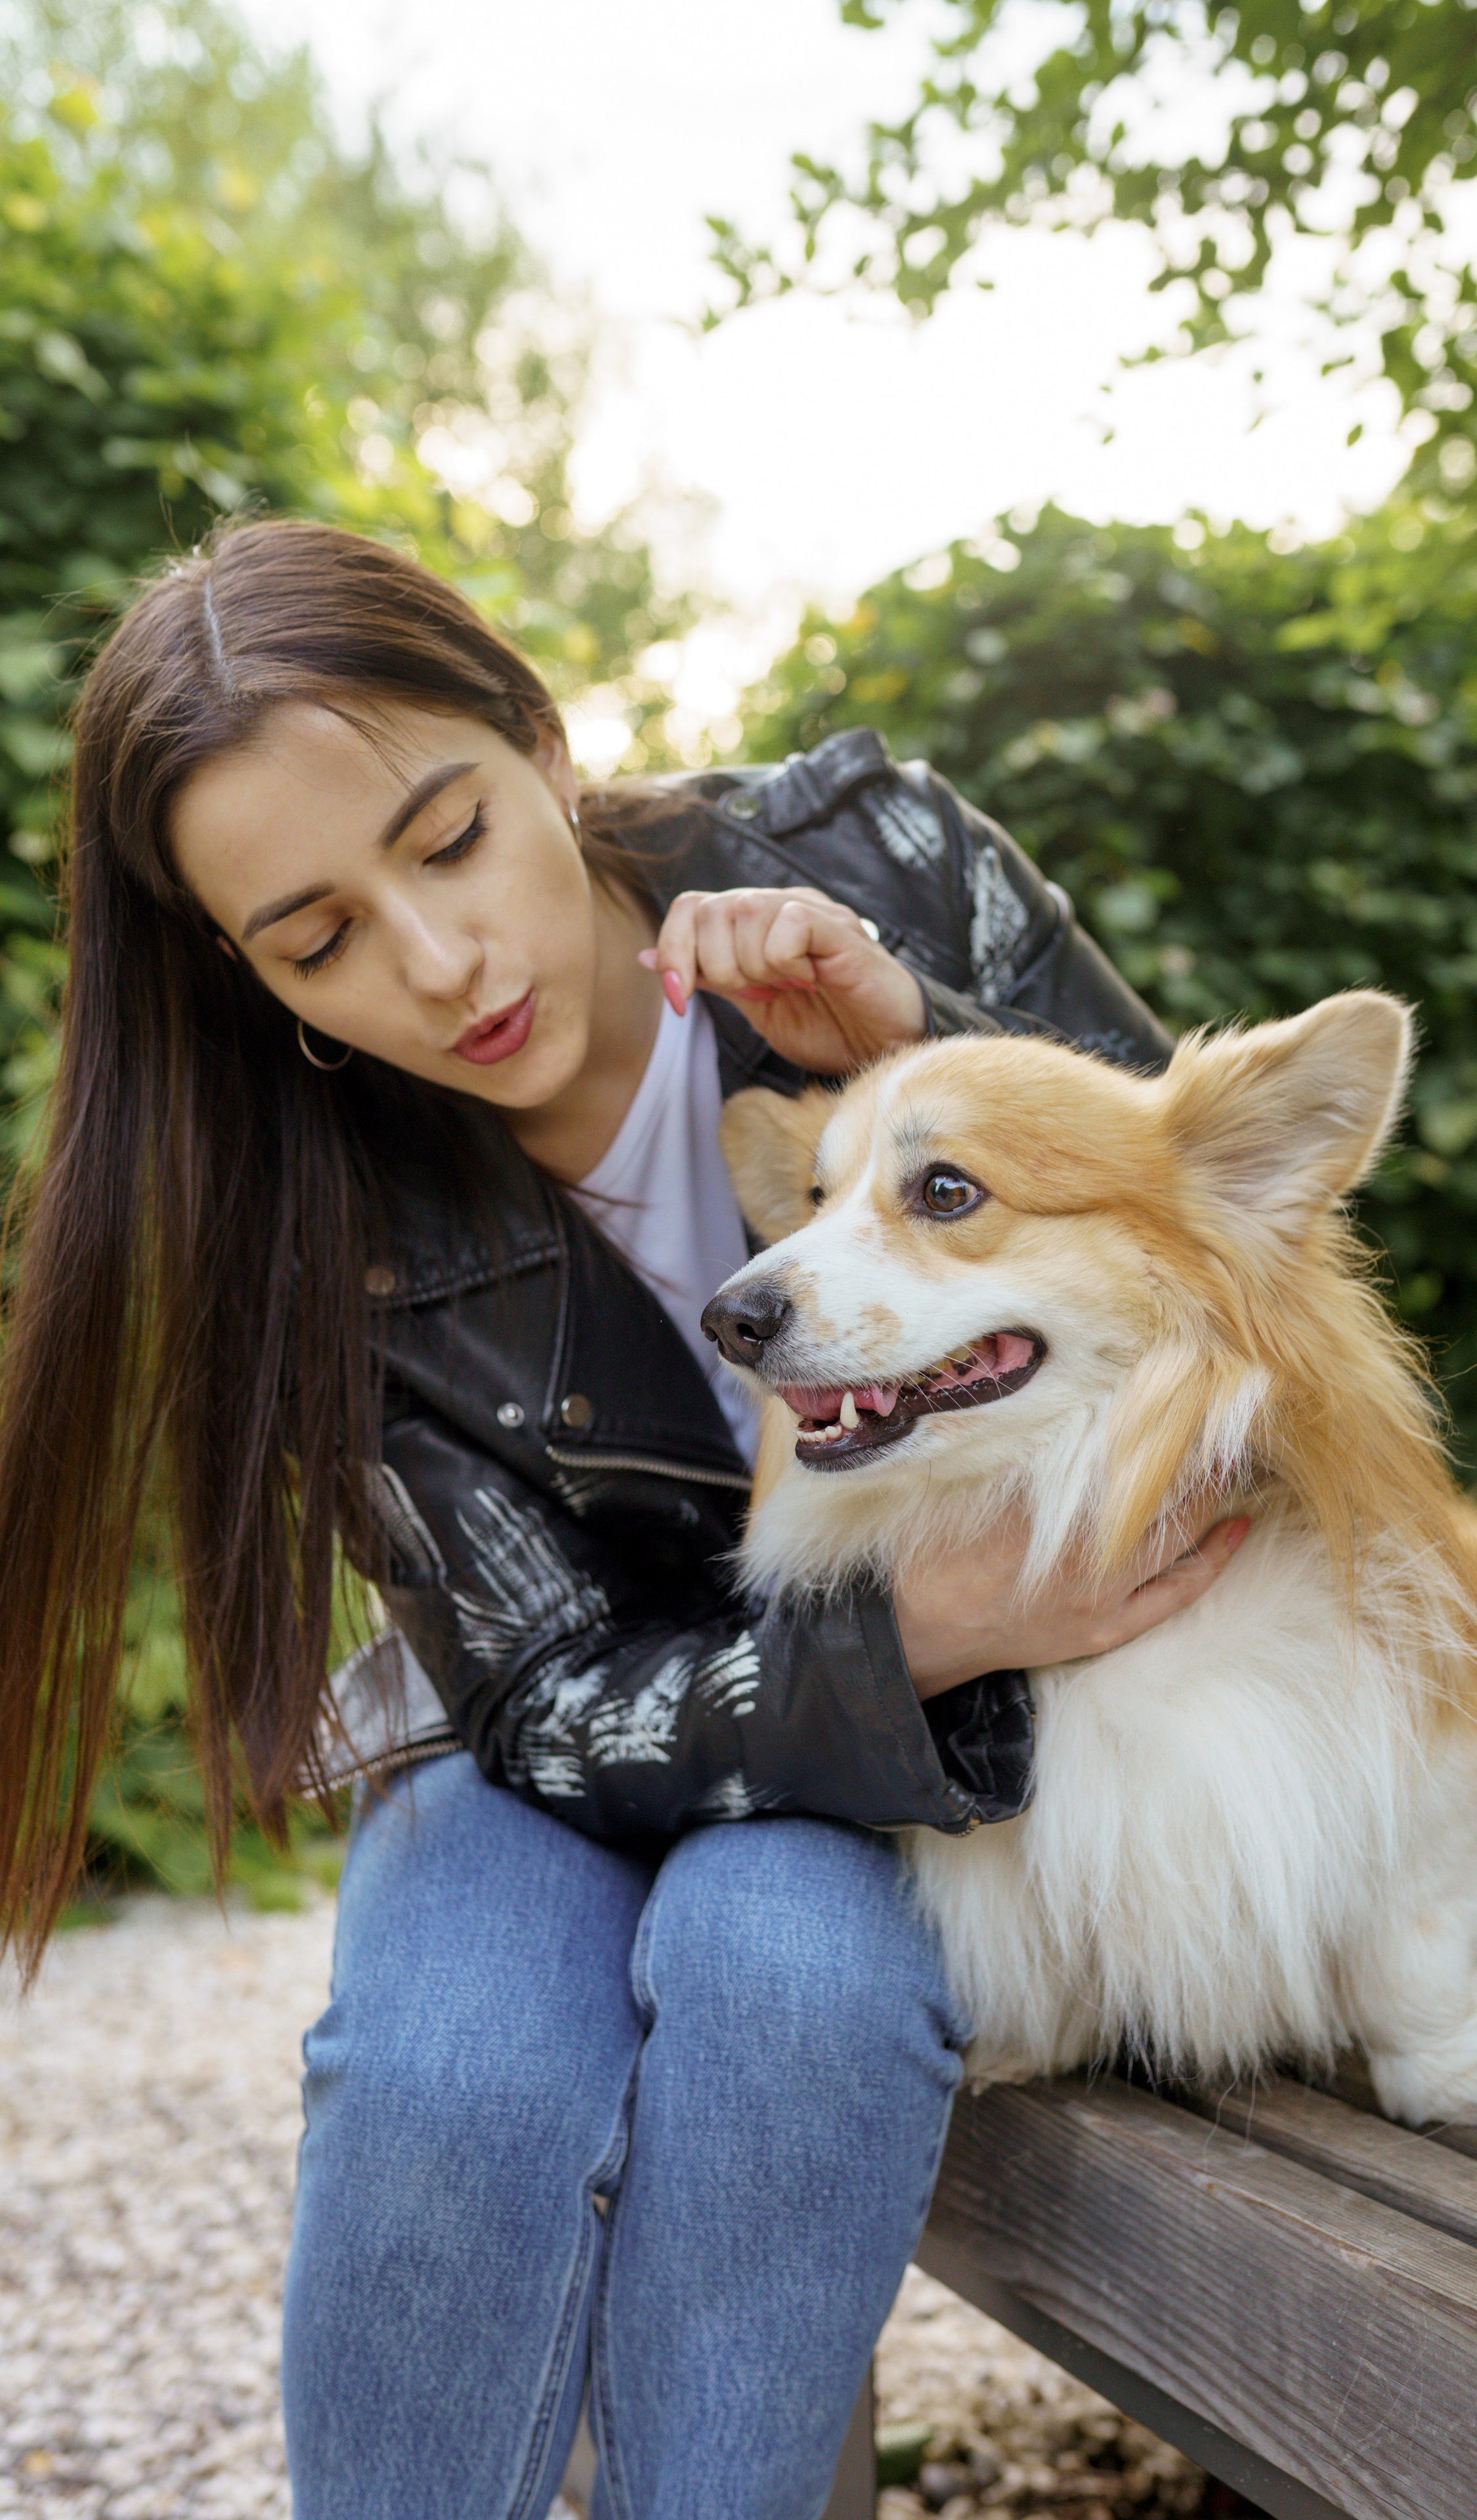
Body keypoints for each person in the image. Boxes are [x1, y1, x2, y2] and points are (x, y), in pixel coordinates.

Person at [0, 518, 1247, 2520]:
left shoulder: (870, 856)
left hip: (927, 1758)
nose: (441, 963)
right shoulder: (305, 1205)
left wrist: (912, 1072)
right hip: (584, 1725)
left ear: (538, 735)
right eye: (315, 942)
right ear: (253, 981)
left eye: (449, 834)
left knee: (790, 1982)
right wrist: (913, 1630)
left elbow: (1218, 1265)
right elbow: (544, 1694)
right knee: (446, 2075)